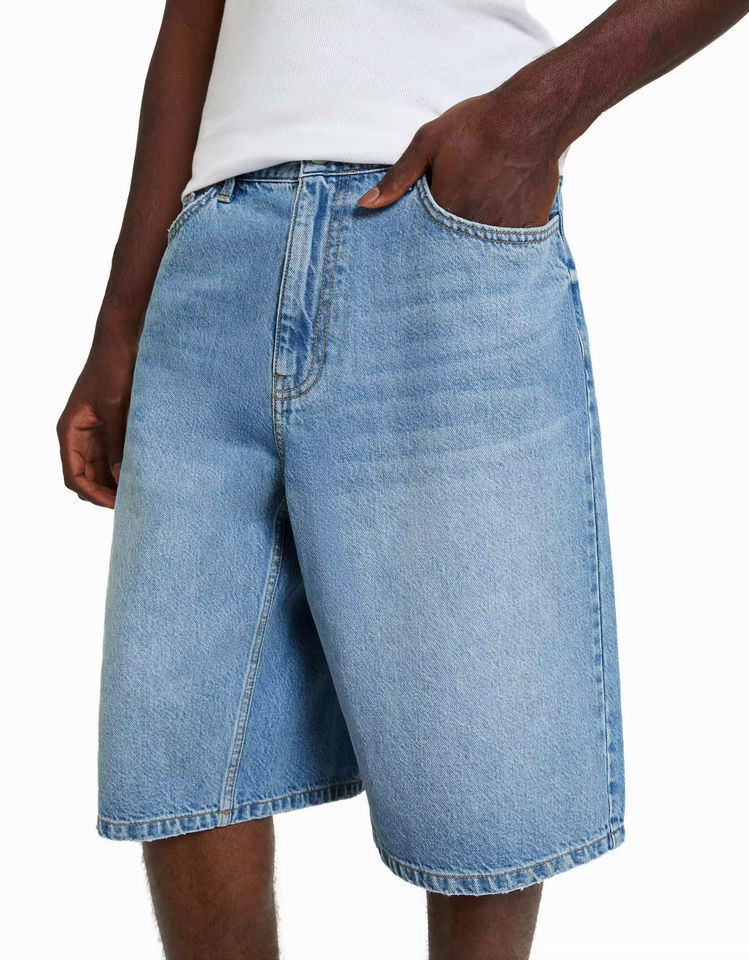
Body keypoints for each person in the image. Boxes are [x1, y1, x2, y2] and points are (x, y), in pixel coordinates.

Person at [57, 2, 748, 958]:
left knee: (480, 767)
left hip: (435, 228)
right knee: (181, 751)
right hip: (213, 249)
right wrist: (122, 319)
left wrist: (530, 118)